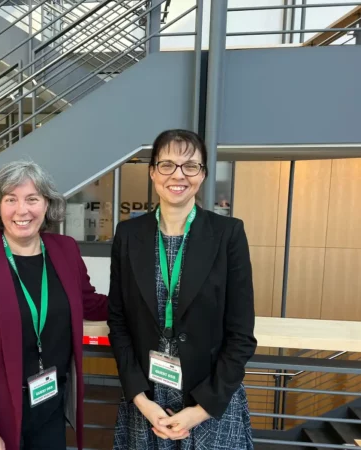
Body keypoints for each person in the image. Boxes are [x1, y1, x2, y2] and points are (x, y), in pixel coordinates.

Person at [0, 161, 108, 450]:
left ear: (47, 205)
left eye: (32, 199)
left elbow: (89, 303)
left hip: (49, 406)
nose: (22, 210)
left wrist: (144, 299)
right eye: (11, 199)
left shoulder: (65, 249)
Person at [108, 129, 257, 450]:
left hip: (210, 399)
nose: (178, 175)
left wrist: (201, 410)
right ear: (152, 171)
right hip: (147, 401)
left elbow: (241, 334)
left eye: (190, 166)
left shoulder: (227, 234)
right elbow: (118, 323)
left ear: (202, 174)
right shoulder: (128, 234)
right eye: (167, 165)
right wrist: (141, 400)